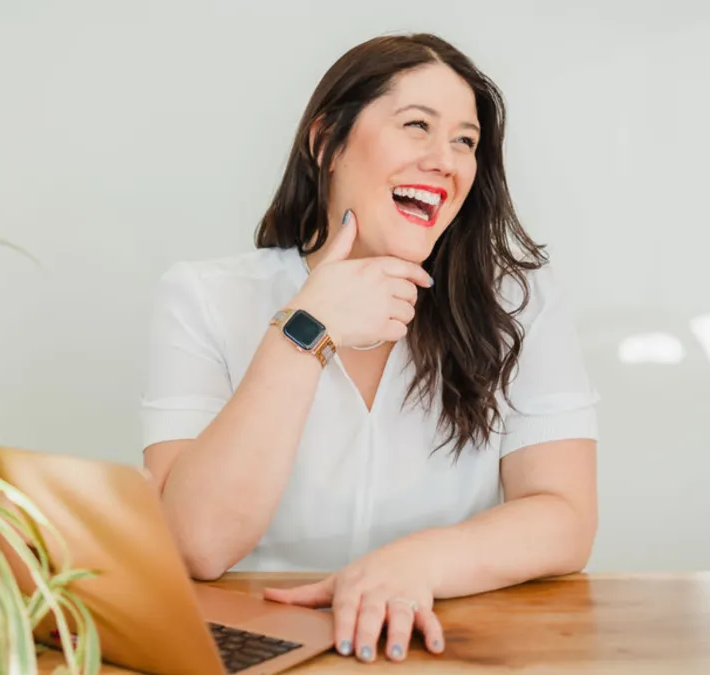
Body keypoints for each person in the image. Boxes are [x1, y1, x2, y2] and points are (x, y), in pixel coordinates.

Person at [139, 33, 599, 664]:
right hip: (257, 644)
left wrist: (413, 564)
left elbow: (564, 518)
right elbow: (197, 544)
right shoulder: (202, 296)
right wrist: (305, 328)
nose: (447, 160)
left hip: (444, 640)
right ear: (326, 141)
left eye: (465, 140)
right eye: (418, 126)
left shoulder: (518, 301)